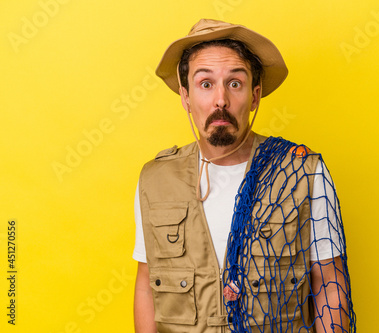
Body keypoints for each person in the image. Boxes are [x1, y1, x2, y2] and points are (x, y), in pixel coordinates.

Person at [133, 19, 355, 333]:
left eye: (234, 83)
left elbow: (329, 282)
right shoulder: (155, 180)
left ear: (254, 95)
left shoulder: (304, 173)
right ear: (185, 96)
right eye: (205, 84)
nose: (220, 99)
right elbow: (146, 283)